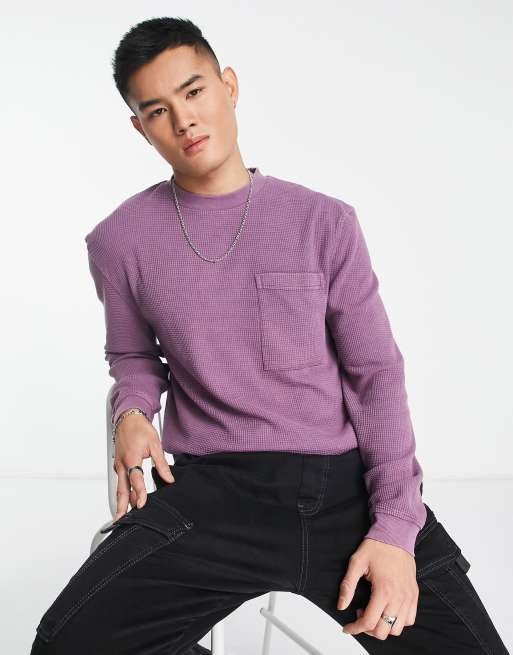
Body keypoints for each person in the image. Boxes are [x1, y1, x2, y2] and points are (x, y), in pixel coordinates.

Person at [30, 16, 509, 655]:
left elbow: (375, 376)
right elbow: (134, 356)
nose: (184, 120)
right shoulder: (119, 241)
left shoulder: (324, 222)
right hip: (211, 490)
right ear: (140, 128)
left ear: (228, 87)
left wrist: (396, 528)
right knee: (65, 644)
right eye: (158, 111)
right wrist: (134, 412)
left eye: (194, 92)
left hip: (340, 489)